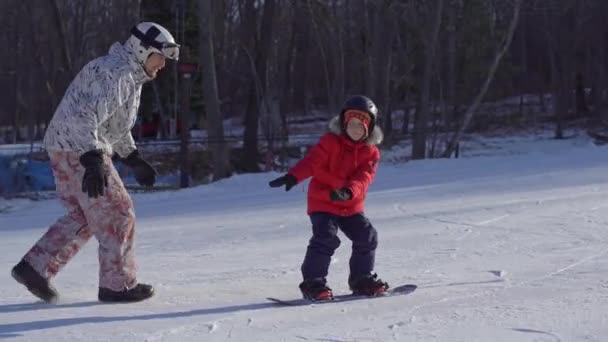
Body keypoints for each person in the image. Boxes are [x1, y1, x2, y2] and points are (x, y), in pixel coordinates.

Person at [10, 22, 179, 303]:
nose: (163, 64)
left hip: (64, 145)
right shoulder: (119, 75)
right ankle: (117, 285)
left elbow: (112, 125)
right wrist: (91, 159)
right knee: (118, 212)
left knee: (87, 215)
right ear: (142, 49)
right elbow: (84, 116)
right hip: (79, 147)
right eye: (160, 56)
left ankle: (34, 267)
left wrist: (132, 157)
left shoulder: (127, 74)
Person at [269, 95, 388, 301]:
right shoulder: (330, 142)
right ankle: (313, 282)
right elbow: (312, 162)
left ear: (369, 129)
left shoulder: (371, 153)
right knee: (326, 236)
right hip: (323, 201)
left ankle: (361, 278)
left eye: (361, 126)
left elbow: (364, 178)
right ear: (343, 124)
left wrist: (349, 192)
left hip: (350, 204)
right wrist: (293, 176)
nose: (355, 129)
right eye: (351, 124)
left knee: (367, 236)